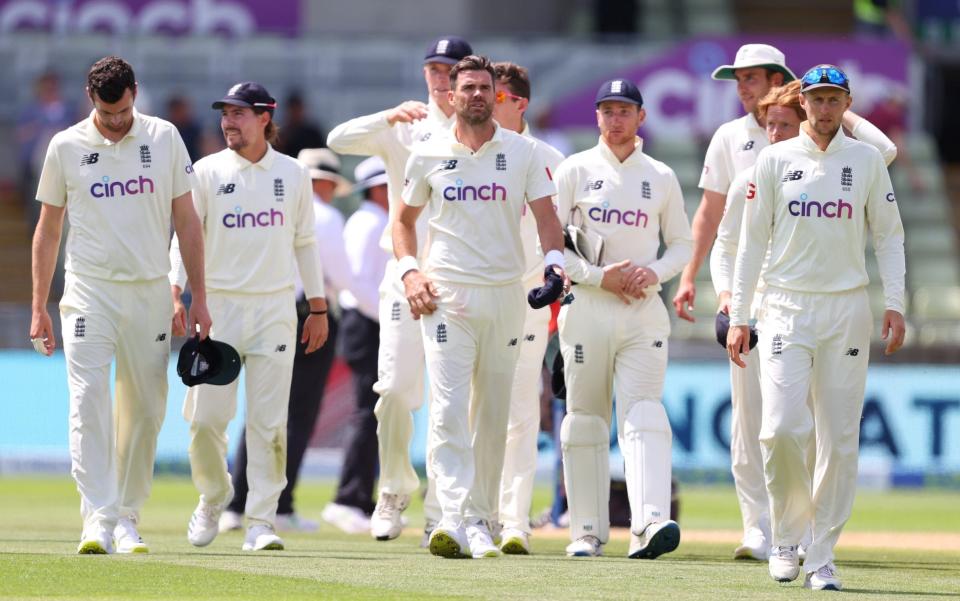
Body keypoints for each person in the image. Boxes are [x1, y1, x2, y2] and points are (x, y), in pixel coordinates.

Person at [727, 64, 906, 591]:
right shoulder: (775, 160)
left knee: (839, 438)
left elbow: (890, 236)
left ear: (847, 102)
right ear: (801, 102)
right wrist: (740, 315)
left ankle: (822, 553)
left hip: (847, 308)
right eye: (817, 99)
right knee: (780, 428)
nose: (825, 109)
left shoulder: (867, 159)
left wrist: (894, 302)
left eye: (835, 100)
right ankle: (786, 537)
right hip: (784, 306)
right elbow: (750, 244)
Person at [29, 55, 211, 554]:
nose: (116, 123)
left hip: (150, 290)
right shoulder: (65, 145)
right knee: (88, 402)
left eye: (124, 112)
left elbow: (188, 223)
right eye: (108, 115)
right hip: (88, 292)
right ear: (92, 100)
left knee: (147, 409)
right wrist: (38, 304)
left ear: (135, 93)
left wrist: (197, 295)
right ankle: (99, 518)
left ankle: (128, 515)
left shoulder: (164, 137)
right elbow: (48, 230)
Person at [396, 54, 566, 559]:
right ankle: (451, 518)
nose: (474, 95)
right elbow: (402, 222)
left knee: (493, 414)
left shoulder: (523, 153)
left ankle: (481, 518)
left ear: (496, 95)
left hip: (505, 294)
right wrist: (410, 271)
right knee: (448, 409)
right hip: (448, 295)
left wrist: (555, 262)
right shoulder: (426, 152)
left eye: (483, 88)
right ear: (450, 96)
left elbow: (546, 217)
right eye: (465, 87)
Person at [170, 81, 328, 552]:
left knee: (269, 423)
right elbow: (185, 237)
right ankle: (214, 496)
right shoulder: (207, 171)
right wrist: (175, 290)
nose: (228, 122)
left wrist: (317, 306)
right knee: (205, 422)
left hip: (275, 309)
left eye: (239, 114)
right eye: (225, 114)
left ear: (265, 118)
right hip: (218, 310)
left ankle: (261, 520)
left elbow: (305, 243)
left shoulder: (294, 174)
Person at [327, 35, 474, 543]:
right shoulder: (404, 127)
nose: (439, 76)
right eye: (433, 67)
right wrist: (387, 117)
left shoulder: (477, 130)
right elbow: (338, 139)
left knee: (450, 401)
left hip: (458, 280)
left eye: (448, 68)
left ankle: (442, 505)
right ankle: (391, 491)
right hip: (404, 275)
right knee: (392, 391)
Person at [555, 79, 692, 559]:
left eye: (624, 111)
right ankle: (587, 532)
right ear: (597, 117)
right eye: (607, 110)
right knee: (586, 421)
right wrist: (597, 277)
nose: (615, 119)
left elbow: (682, 244)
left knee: (644, 412)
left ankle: (649, 522)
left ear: (641, 118)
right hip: (588, 309)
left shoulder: (661, 175)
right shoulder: (573, 170)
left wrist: (649, 275)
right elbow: (550, 248)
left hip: (642, 310)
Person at [671, 43, 795, 560]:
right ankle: (757, 529)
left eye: (751, 79)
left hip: (798, 296)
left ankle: (799, 527)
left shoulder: (815, 133)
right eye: (737, 80)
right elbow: (714, 219)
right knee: (747, 419)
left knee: (792, 420)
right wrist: (693, 277)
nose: (742, 89)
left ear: (777, 80)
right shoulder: (728, 138)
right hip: (745, 296)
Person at [219, 148, 353, 533]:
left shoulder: (271, 205)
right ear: (326, 183)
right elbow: (342, 278)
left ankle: (237, 503)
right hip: (308, 315)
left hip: (264, 311)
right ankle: (279, 503)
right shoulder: (324, 217)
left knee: (259, 413)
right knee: (297, 416)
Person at [488, 61, 565, 555]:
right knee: (471, 409)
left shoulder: (549, 156)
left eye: (495, 98)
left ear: (520, 104)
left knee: (518, 412)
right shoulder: (466, 151)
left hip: (528, 301)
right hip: (474, 296)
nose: (483, 105)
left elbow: (564, 234)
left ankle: (513, 519)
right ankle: (467, 512)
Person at [321, 157, 392, 533]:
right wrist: (391, 318)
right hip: (367, 323)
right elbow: (358, 283)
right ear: (379, 188)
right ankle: (349, 498)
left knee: (373, 412)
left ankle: (361, 498)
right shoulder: (369, 223)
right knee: (368, 412)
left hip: (366, 322)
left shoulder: (370, 220)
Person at [276, 91, 326, 158]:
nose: (295, 113)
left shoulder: (313, 134)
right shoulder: (281, 134)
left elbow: (324, 154)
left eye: (297, 109)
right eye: (293, 110)